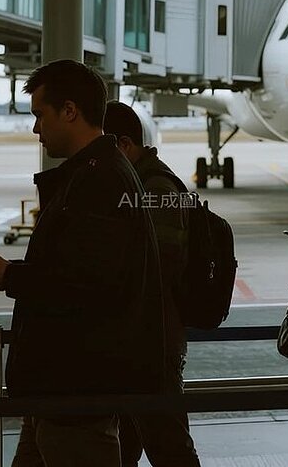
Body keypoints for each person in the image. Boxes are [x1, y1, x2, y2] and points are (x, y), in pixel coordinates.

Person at [0, 60, 166, 467]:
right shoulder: (95, 173)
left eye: (40, 115)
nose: (35, 129)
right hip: (60, 386)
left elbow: (87, 283)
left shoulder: (98, 180)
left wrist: (11, 276)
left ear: (70, 111)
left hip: (77, 387)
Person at [102, 100, 200, 467]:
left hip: (152, 340)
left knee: (169, 445)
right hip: (137, 336)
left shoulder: (156, 186)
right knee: (126, 445)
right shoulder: (138, 182)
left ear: (125, 145)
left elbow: (160, 265)